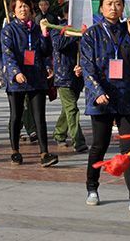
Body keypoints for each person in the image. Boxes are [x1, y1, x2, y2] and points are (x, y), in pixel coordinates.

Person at [81, 0, 130, 210]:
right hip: (103, 97)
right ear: (101, 8)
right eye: (109, 3)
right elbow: (88, 67)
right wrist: (97, 92)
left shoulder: (128, 30)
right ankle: (92, 186)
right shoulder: (92, 34)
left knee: (129, 147)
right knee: (99, 145)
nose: (114, 7)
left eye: (118, 3)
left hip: (127, 96)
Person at [1, 0, 57, 167]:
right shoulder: (9, 30)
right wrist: (16, 72)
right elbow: (7, 54)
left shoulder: (35, 28)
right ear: (13, 10)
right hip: (17, 79)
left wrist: (45, 35)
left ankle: (44, 152)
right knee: (16, 115)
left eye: (26, 5)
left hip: (36, 77)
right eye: (19, 6)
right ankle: (15, 151)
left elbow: (46, 51)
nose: (23, 9)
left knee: (39, 116)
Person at [50, 9, 87, 153]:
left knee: (68, 109)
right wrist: (74, 34)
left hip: (78, 75)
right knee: (71, 108)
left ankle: (59, 133)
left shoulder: (84, 29)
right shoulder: (57, 29)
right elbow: (58, 45)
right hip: (63, 76)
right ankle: (78, 141)